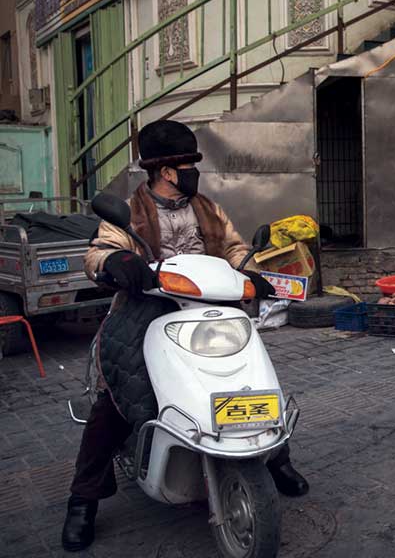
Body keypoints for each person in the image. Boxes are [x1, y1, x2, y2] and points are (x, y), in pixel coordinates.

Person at [61, 120, 309, 552]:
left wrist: (250, 271)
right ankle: (83, 499)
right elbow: (99, 251)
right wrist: (115, 262)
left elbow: (234, 248)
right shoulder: (130, 211)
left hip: (211, 310)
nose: (196, 173)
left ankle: (274, 457)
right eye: (189, 165)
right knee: (118, 396)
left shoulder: (208, 208)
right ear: (167, 171)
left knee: (250, 379)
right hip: (147, 310)